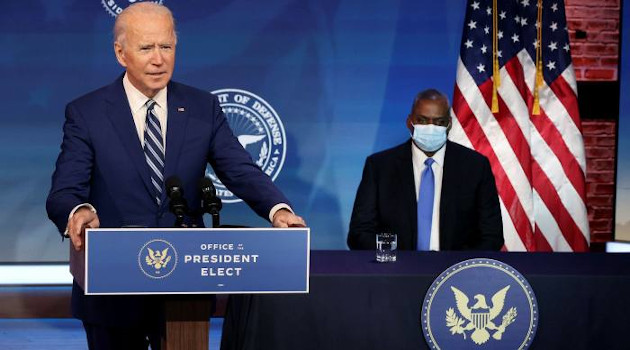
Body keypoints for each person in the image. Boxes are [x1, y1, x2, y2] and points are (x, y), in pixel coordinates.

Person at [45, 3, 305, 349]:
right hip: (112, 290)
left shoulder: (202, 108)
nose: (158, 59)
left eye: (166, 47)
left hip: (185, 287)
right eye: (146, 48)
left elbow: (239, 169)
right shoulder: (87, 113)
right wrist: (78, 212)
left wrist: (278, 210)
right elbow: (64, 191)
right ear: (121, 53)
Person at [347, 89, 503, 251]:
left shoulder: (475, 167)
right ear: (409, 122)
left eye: (438, 122)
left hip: (456, 272)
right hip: (396, 270)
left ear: (449, 124)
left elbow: (492, 235)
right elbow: (360, 233)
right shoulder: (380, 167)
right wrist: (394, 261)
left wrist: (460, 268)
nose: (430, 127)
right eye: (422, 120)